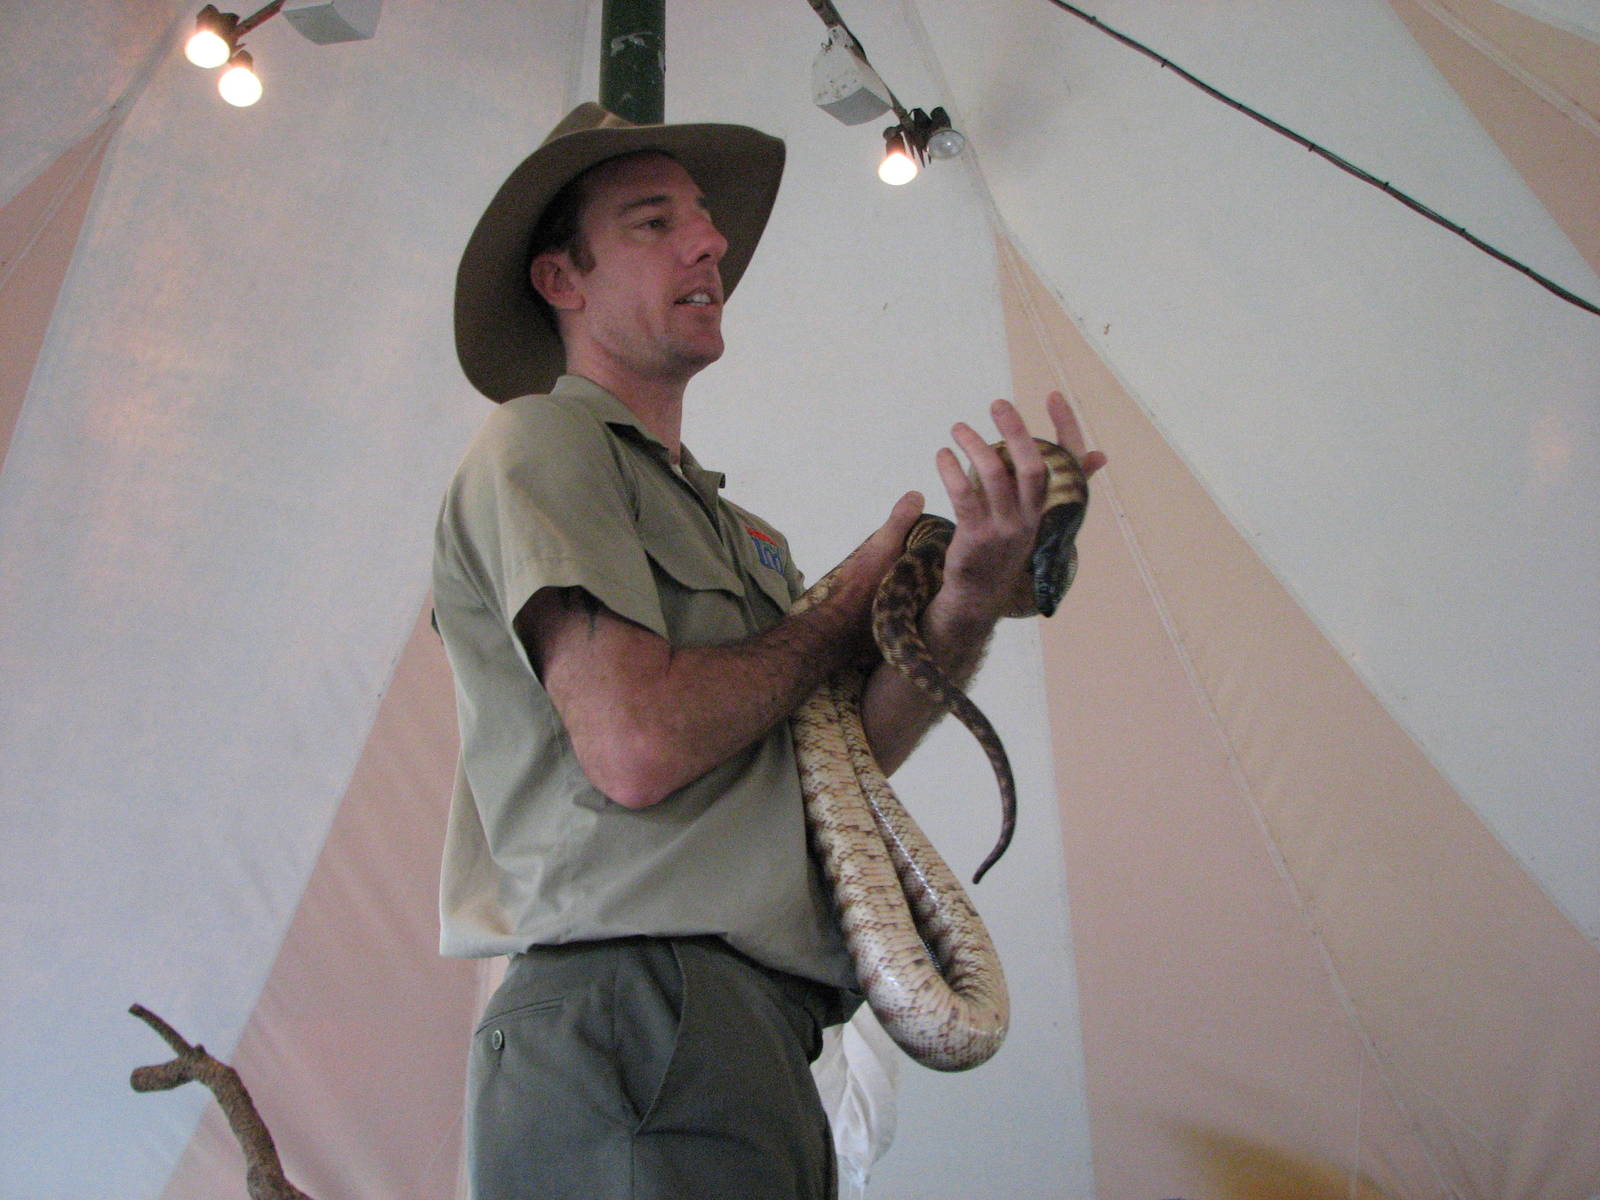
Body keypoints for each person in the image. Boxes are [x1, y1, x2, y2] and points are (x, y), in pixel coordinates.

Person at [433, 103, 1103, 1200]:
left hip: (751, 1030)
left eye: (705, 221)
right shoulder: (540, 441)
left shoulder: (741, 535)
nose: (709, 243)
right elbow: (639, 746)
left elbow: (837, 761)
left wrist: (971, 592)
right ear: (561, 280)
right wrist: (841, 606)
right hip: (635, 1010)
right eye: (655, 223)